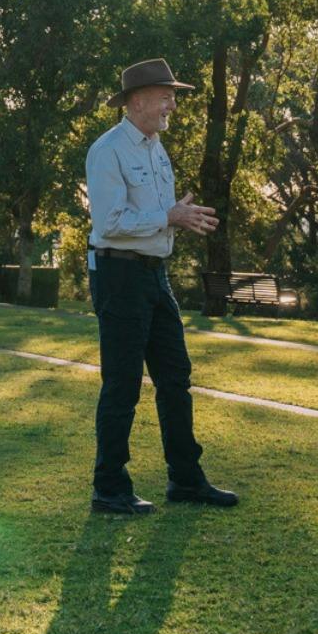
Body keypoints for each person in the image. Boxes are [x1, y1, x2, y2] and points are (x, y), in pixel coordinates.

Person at [84, 58, 238, 515]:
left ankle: (186, 480)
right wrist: (169, 216)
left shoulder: (156, 148)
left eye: (172, 96)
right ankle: (109, 488)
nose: (173, 104)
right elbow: (109, 223)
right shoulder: (108, 151)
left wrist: (178, 217)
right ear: (137, 102)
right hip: (119, 276)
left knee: (175, 378)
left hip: (155, 274)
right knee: (123, 383)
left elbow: (155, 217)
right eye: (166, 96)